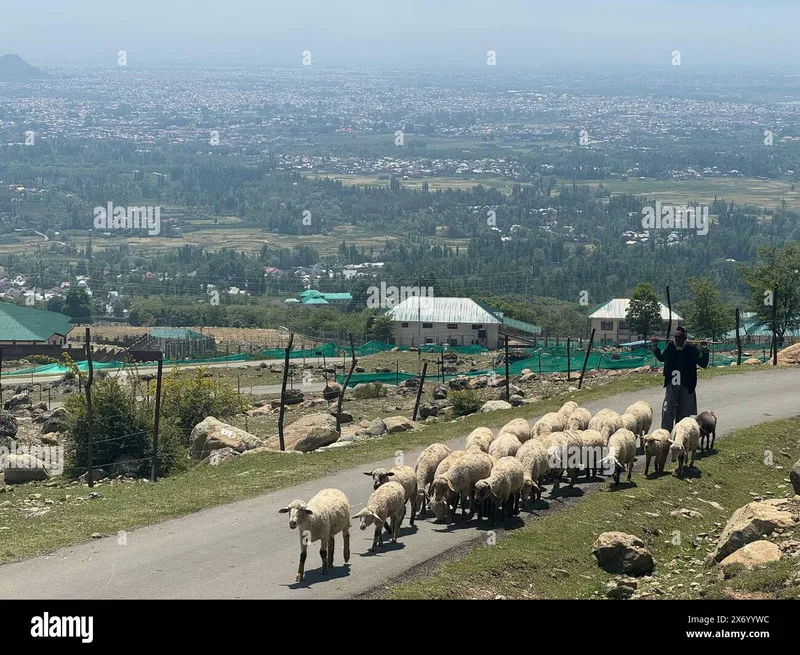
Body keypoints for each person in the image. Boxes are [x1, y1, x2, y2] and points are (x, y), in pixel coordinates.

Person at [650, 326, 709, 431]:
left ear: (684, 339)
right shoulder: (671, 346)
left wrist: (704, 349)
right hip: (672, 384)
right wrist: (655, 346)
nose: (677, 341)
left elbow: (703, 364)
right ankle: (665, 435)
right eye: (676, 338)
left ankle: (681, 436)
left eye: (680, 339)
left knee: (684, 413)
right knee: (668, 409)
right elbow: (661, 358)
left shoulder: (692, 348)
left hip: (687, 385)